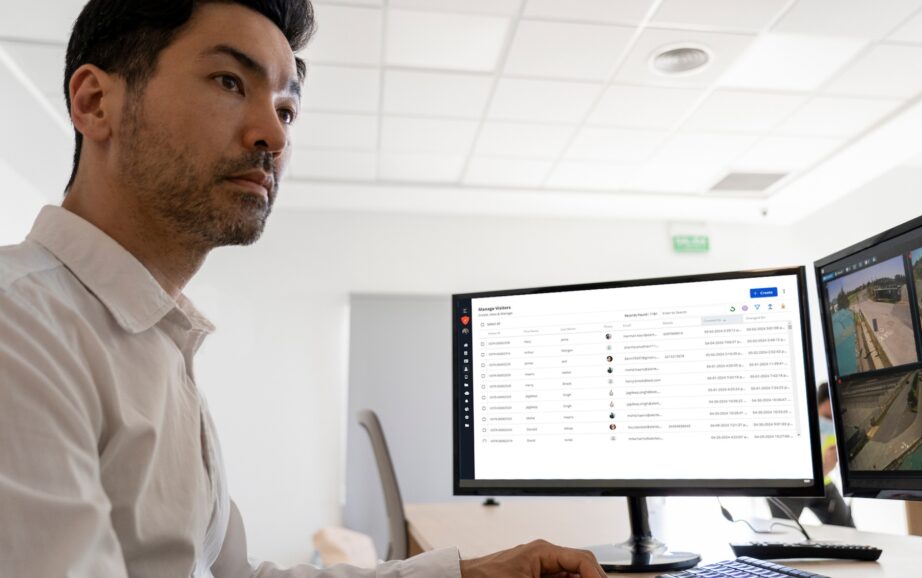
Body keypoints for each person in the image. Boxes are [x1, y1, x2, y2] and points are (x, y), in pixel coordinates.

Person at [0, 2, 607, 577]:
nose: (274, 135)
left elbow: (231, 574)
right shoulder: (18, 324)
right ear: (95, 101)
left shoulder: (160, 345)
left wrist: (468, 571)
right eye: (229, 82)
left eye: (287, 110)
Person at [768, 383, 855, 527]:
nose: (831, 422)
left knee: (848, 530)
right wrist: (824, 468)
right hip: (790, 487)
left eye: (836, 417)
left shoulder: (839, 429)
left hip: (823, 485)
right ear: (814, 407)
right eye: (827, 416)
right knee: (784, 533)